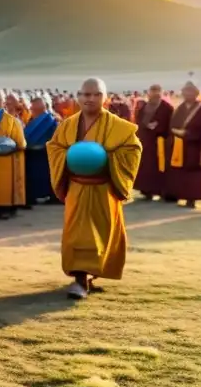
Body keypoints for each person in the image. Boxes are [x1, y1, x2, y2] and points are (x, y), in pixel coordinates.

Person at [47, 78, 142, 299]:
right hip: (77, 188)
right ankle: (79, 279)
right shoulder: (68, 125)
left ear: (105, 97)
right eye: (85, 94)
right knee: (78, 235)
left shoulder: (118, 126)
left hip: (104, 189)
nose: (90, 98)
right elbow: (54, 147)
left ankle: (90, 275)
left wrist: (105, 158)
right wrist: (71, 156)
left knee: (102, 234)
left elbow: (133, 149)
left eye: (96, 94)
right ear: (78, 97)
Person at [0, 89, 27, 218]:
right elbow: (21, 143)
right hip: (2, 159)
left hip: (1, 159)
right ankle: (5, 208)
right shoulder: (11, 120)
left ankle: (0, 208)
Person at [163, 81, 201, 208]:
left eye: (190, 92)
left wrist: (189, 134)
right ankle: (181, 194)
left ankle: (192, 199)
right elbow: (172, 123)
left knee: (193, 172)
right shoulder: (180, 108)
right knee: (179, 171)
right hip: (179, 145)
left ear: (196, 94)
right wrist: (175, 131)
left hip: (194, 146)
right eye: (185, 92)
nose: (187, 94)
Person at [133, 84, 174, 200]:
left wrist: (158, 126)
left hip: (160, 144)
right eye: (153, 91)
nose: (155, 94)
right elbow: (139, 121)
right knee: (145, 167)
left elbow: (170, 124)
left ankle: (160, 191)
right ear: (149, 93)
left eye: (158, 92)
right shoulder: (144, 107)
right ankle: (146, 191)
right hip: (144, 142)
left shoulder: (167, 108)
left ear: (161, 93)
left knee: (159, 168)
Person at [23, 96, 59, 206]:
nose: (32, 107)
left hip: (43, 153)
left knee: (44, 175)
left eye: (35, 105)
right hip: (32, 152)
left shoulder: (51, 120)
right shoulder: (32, 119)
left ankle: (51, 196)